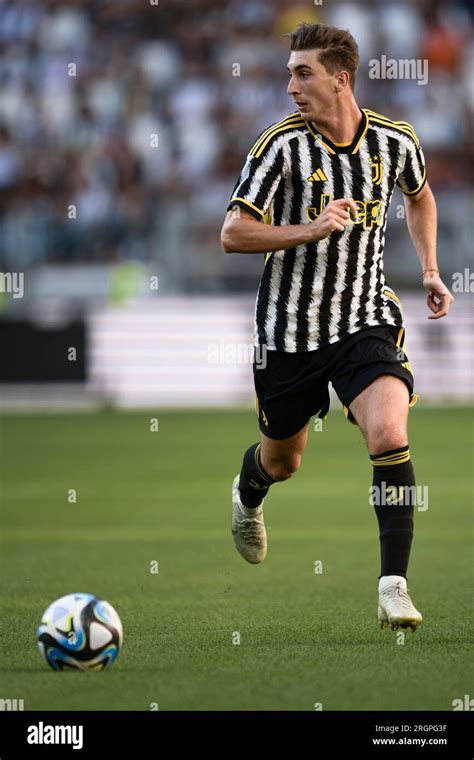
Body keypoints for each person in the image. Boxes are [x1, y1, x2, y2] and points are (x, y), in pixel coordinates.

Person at [220, 22, 453, 631]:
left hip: (364, 320)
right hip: (289, 333)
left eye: (304, 73)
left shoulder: (397, 142)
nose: (291, 85)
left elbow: (420, 196)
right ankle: (249, 494)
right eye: (290, 73)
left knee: (387, 433)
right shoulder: (279, 147)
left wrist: (429, 267)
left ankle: (393, 585)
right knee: (284, 461)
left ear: (340, 79)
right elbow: (233, 233)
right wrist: (311, 228)